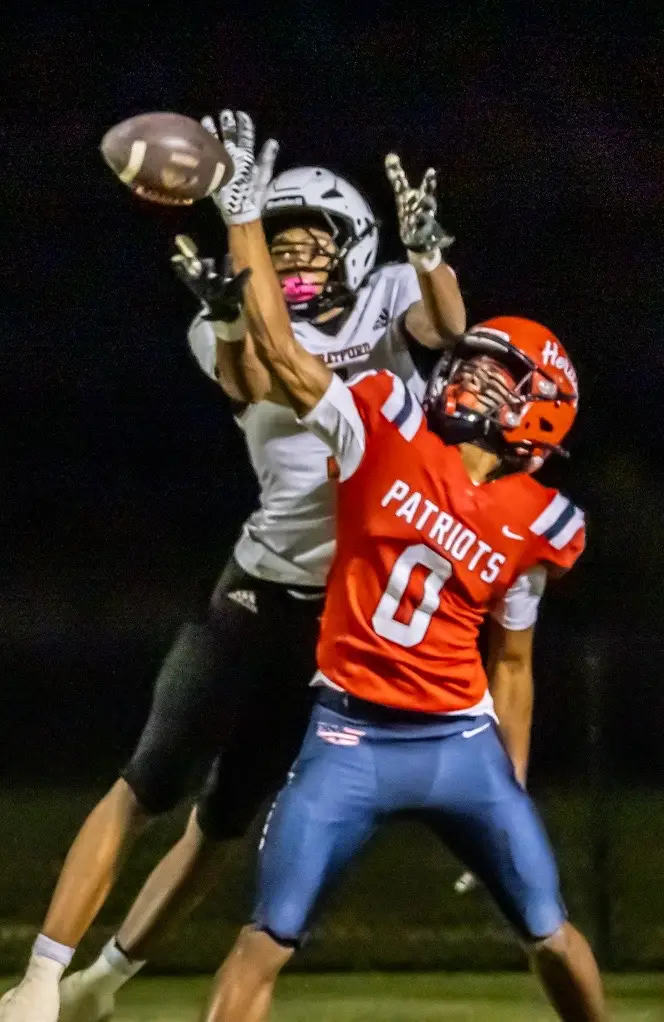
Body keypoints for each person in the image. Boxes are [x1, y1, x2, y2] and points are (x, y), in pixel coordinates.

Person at [0, 115, 465, 1022]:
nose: (296, 254)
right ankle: (44, 976)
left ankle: (108, 980)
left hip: (345, 618)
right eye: (277, 239)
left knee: (227, 820)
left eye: (311, 240)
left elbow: (448, 325)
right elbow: (255, 375)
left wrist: (430, 248)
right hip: (258, 590)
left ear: (357, 250)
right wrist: (234, 249)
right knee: (149, 778)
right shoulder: (230, 320)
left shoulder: (391, 297)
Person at [186, 111, 606, 1022]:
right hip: (347, 738)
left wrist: (514, 790)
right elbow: (287, 359)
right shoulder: (383, 421)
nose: (470, 376)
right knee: (263, 940)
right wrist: (244, 220)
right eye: (476, 364)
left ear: (540, 417)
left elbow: (515, 665)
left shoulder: (541, 522)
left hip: (461, 747)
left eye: (499, 379)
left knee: (552, 933)